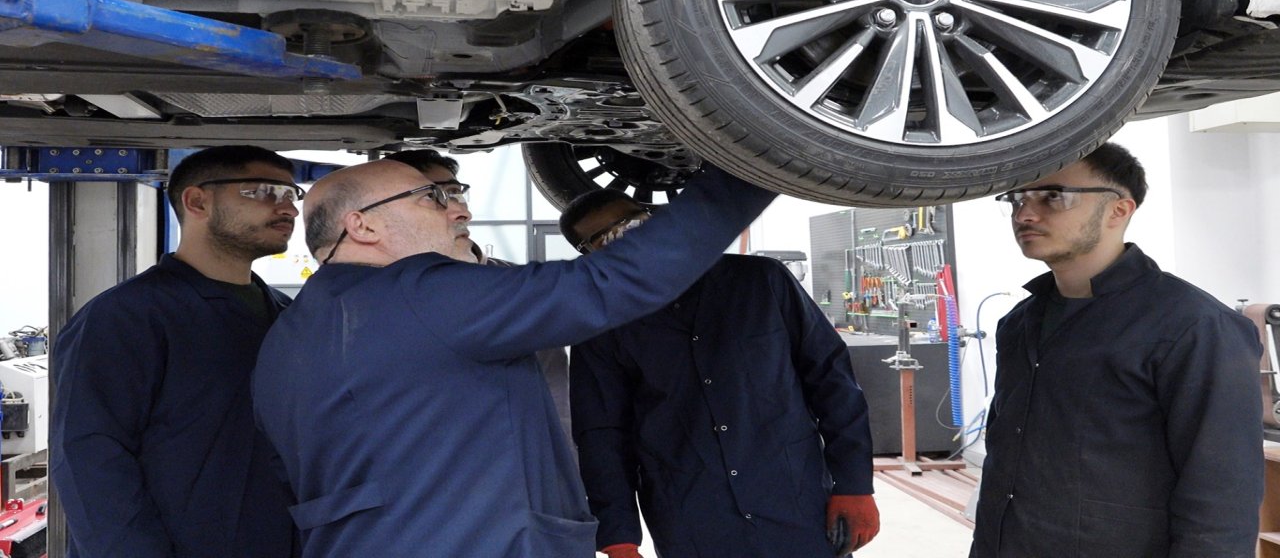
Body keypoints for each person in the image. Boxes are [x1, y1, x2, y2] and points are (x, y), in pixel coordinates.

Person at [251, 159, 777, 557]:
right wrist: (757, 160)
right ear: (362, 226)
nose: (460, 210)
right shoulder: (423, 291)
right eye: (430, 199)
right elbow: (611, 283)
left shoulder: (286, 337)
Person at [972, 142, 1264, 557]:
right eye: (1018, 198)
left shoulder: (1194, 327)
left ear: (1118, 210)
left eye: (1053, 196)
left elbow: (1222, 494)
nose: (1025, 214)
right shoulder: (1020, 323)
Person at [560, 189, 879, 558]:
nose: (632, 242)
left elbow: (833, 381)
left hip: (795, 499)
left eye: (635, 225)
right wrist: (619, 536)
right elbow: (601, 434)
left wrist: (854, 483)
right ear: (590, 254)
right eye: (609, 239)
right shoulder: (603, 326)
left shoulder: (762, 282)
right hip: (690, 516)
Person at [50, 145, 302, 557]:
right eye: (263, 192)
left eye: (292, 195)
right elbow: (88, 459)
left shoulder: (288, 316)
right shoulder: (125, 317)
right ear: (197, 201)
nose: (287, 209)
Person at [384, 148, 572, 444]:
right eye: (434, 197)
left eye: (456, 193)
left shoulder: (516, 290)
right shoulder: (363, 298)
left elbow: (555, 399)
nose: (461, 211)